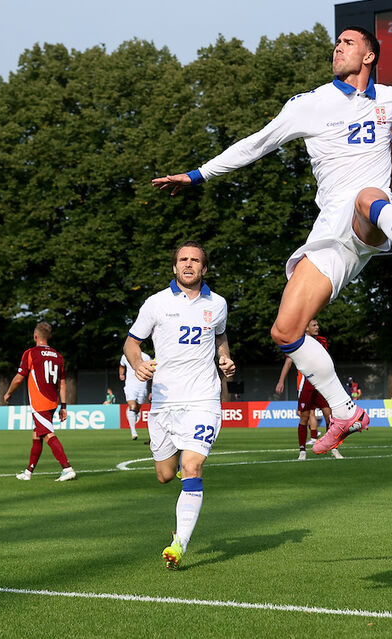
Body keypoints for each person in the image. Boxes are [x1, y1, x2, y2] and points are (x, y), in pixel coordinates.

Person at [152, 26, 392, 456]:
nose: (338, 48)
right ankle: (344, 411)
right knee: (285, 331)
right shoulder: (310, 104)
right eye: (336, 44)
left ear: (369, 56)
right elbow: (255, 144)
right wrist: (198, 173)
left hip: (370, 218)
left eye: (348, 43)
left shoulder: (391, 98)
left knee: (368, 196)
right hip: (329, 236)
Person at [123, 241, 236, 570]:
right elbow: (133, 342)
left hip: (203, 400)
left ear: (204, 268)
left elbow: (220, 336)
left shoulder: (217, 304)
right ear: (174, 267)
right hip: (164, 404)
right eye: (183, 260)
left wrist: (225, 357)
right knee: (165, 475)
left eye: (195, 260)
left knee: (192, 467)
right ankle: (181, 519)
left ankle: (179, 544)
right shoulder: (156, 304)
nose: (188, 264)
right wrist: (136, 364)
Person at [3, 322, 76, 482]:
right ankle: (28, 472)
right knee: (37, 435)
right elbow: (62, 384)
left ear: (35, 336)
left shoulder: (30, 353)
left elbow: (19, 378)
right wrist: (63, 406)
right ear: (48, 337)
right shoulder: (58, 356)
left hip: (40, 402)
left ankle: (67, 468)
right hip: (53, 402)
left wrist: (8, 392)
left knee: (48, 434)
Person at [274, 319, 342, 461]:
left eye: (318, 324)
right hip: (308, 384)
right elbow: (288, 361)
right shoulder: (298, 342)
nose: (318, 327)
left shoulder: (323, 341)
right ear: (305, 329)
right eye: (314, 325)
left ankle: (334, 448)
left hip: (322, 384)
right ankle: (302, 451)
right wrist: (281, 381)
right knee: (304, 417)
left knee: (329, 416)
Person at [119, 349, 152, 440]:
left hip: (142, 386)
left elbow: (152, 369)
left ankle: (134, 414)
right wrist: (121, 374)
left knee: (137, 408)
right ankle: (133, 432)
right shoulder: (125, 356)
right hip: (130, 386)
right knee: (132, 406)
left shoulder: (145, 357)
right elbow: (122, 366)